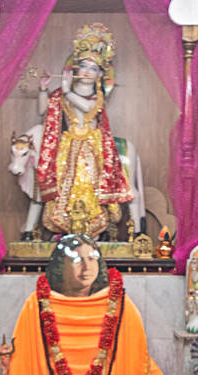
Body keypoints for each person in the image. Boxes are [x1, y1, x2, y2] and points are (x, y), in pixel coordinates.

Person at [5, 235, 166, 375]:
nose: (86, 266)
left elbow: (134, 358)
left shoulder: (119, 304)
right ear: (59, 267)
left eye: (91, 259)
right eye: (76, 259)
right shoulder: (37, 304)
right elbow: (24, 361)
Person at [35, 23, 132, 240]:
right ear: (75, 69)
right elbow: (43, 110)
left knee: (88, 184)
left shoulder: (97, 96)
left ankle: (93, 229)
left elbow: (88, 108)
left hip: (90, 147)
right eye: (84, 66)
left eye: (93, 68)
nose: (87, 72)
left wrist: (68, 91)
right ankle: (65, 227)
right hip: (68, 146)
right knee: (63, 185)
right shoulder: (63, 93)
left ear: (100, 74)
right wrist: (43, 89)